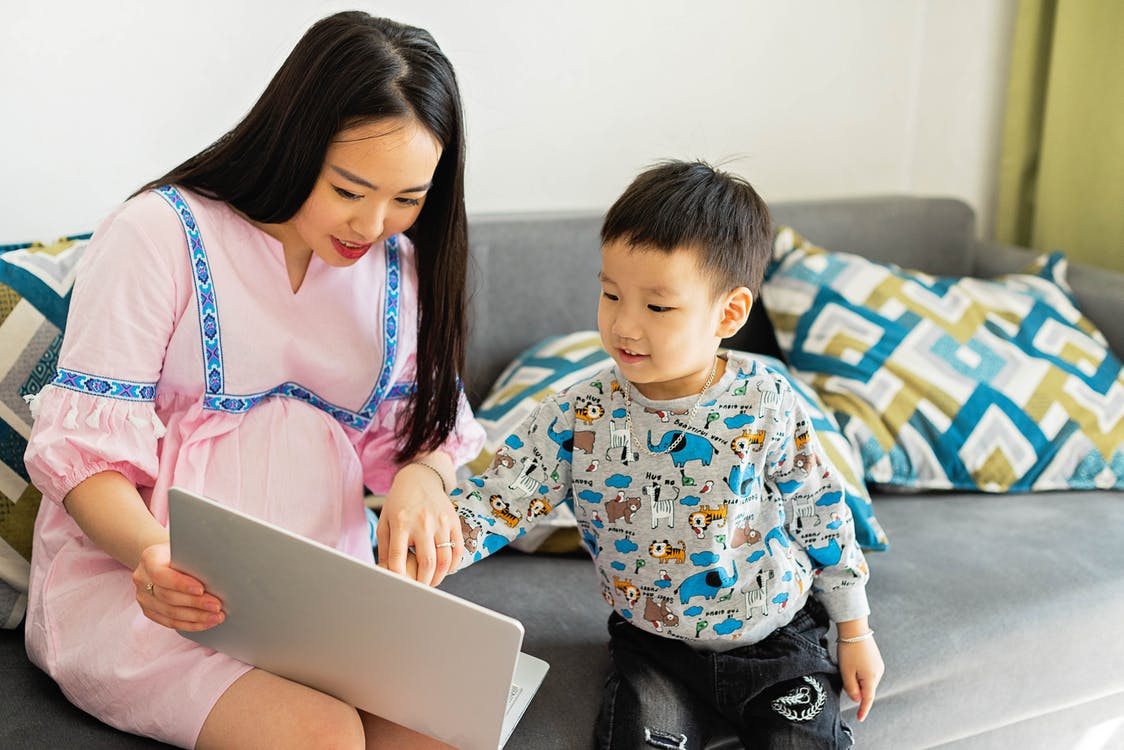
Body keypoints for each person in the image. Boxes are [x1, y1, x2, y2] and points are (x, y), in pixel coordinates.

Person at [22, 11, 482, 749]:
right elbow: (84, 455)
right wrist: (149, 554)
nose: (372, 224)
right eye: (350, 188)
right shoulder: (160, 234)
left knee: (445, 731)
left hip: (317, 602)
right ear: (296, 142)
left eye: (408, 198)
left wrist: (422, 477)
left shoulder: (400, 274)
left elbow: (415, 440)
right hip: (151, 591)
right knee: (322, 736)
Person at [441, 161, 884, 748]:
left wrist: (854, 628)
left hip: (777, 640)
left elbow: (819, 508)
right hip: (654, 648)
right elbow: (501, 500)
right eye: (610, 294)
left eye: (657, 307)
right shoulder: (581, 414)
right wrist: (427, 547)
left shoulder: (764, 403)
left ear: (727, 314)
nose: (624, 324)